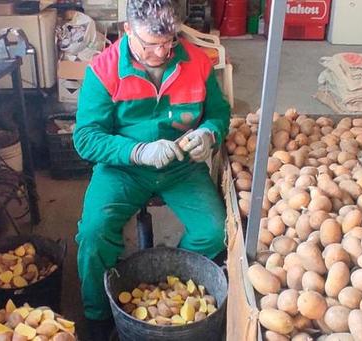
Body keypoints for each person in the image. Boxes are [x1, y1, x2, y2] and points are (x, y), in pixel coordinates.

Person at [71, 0, 231, 338]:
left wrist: (209, 133)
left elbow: (219, 112)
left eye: (168, 42)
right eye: (150, 44)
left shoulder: (196, 62)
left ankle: (168, 281)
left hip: (180, 167)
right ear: (127, 30)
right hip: (123, 168)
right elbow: (85, 138)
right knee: (94, 234)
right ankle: (99, 315)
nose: (161, 52)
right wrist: (138, 151)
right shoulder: (103, 69)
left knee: (216, 231)